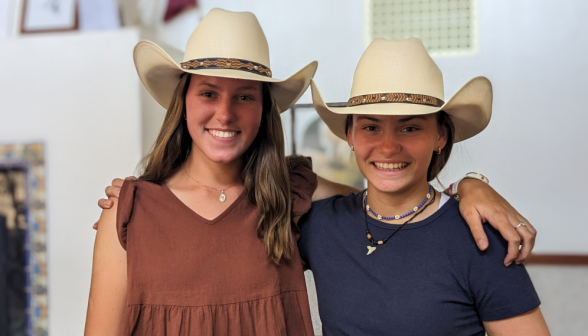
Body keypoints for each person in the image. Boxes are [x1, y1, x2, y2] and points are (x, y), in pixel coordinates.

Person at [89, 8, 537, 336]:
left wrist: (473, 187)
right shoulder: (128, 215)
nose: (224, 113)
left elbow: (392, 201)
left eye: (245, 96)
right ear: (182, 101)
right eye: (208, 92)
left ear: (265, 109)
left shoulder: (293, 199)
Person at [298, 37, 549, 335]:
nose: (388, 147)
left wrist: (469, 185)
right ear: (350, 135)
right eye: (371, 127)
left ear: (441, 137)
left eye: (410, 128)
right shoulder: (318, 225)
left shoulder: (481, 238)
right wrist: (468, 184)